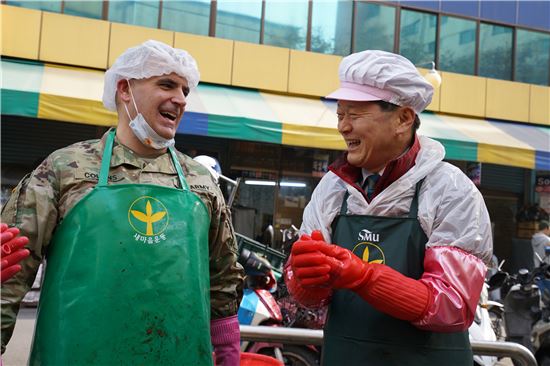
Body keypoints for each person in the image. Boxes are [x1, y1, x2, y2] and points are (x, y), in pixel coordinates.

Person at [1, 40, 243, 366]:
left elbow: (224, 279)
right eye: (167, 84)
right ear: (125, 89)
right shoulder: (64, 169)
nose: (181, 99)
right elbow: (10, 273)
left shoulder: (201, 181)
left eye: (185, 90)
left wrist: (228, 350)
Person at [285, 50, 492, 365]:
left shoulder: (451, 191)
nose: (343, 127)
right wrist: (303, 280)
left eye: (354, 115)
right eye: (340, 114)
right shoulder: (331, 188)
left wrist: (365, 278)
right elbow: (312, 300)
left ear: (403, 118)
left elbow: (453, 304)